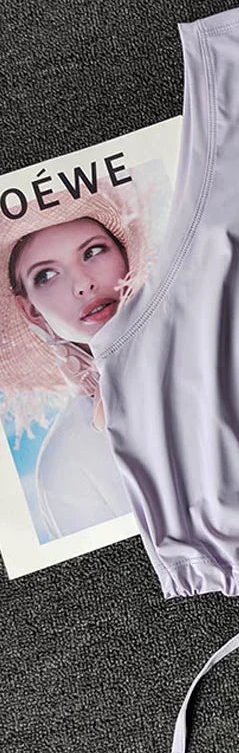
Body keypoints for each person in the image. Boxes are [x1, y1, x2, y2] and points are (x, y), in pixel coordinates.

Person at [0, 180, 156, 540]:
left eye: (93, 251)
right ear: (31, 310)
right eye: (46, 275)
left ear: (125, 255)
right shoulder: (67, 461)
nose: (83, 284)